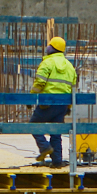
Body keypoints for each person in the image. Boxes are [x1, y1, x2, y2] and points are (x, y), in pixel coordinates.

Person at [29, 36, 76, 169]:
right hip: (62, 104)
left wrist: (32, 98)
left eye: (49, 45)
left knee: (33, 125)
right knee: (56, 132)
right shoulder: (69, 66)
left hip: (47, 102)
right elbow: (72, 88)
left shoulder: (47, 63)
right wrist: (69, 106)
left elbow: (39, 83)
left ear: (52, 47)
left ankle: (44, 147)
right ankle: (57, 161)